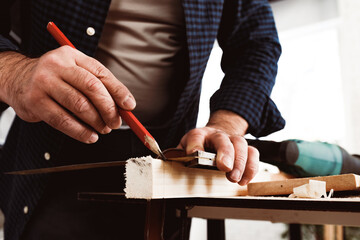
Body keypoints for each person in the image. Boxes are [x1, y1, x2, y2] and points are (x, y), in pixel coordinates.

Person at [0, 0, 285, 239]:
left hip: (165, 165)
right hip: (50, 154)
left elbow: (256, 41)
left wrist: (225, 125)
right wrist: (13, 73)